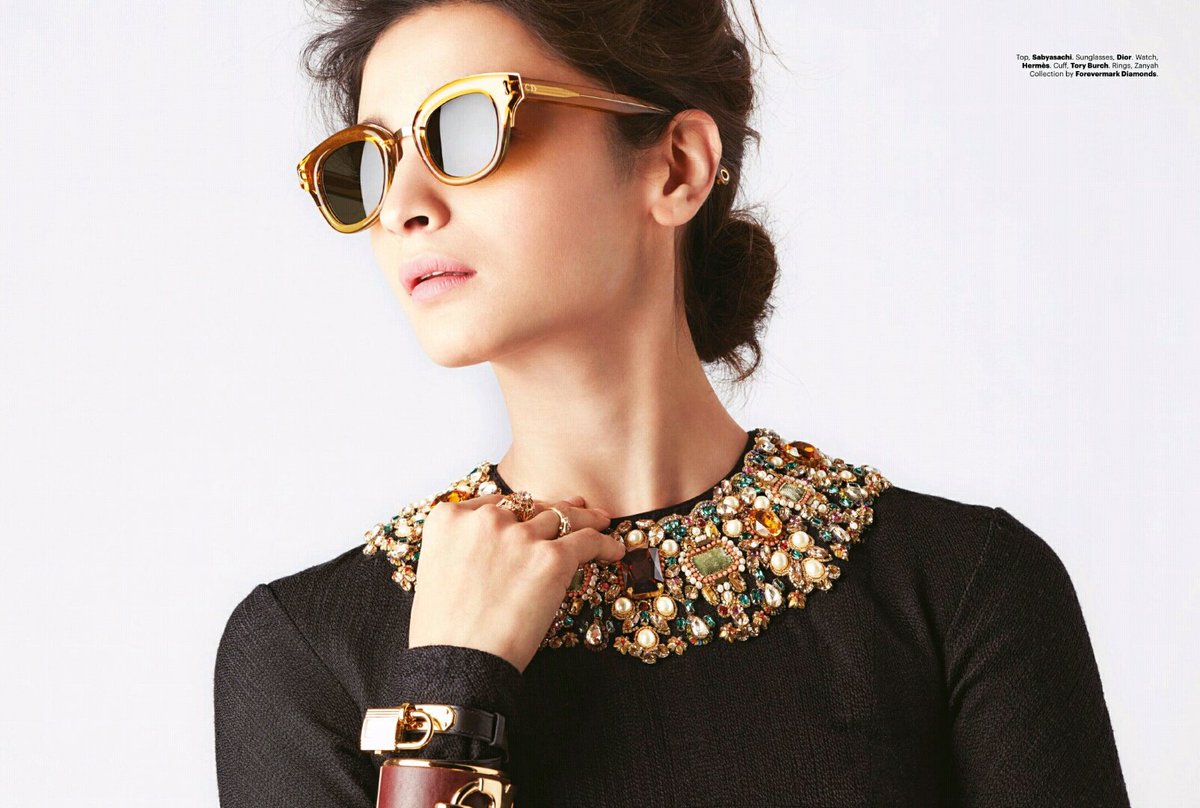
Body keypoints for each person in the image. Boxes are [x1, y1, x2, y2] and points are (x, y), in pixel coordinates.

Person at [213, 1, 1132, 806]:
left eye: (465, 128)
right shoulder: (304, 653)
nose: (403, 206)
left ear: (677, 168)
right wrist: (450, 694)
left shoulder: (961, 590)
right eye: (372, 162)